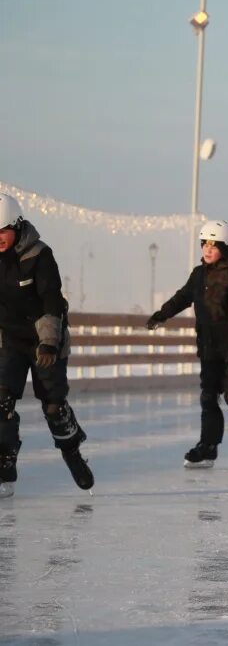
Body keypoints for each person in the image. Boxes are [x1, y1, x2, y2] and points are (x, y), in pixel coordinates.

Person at [0, 192, 93, 498]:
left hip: (45, 339)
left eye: (3, 231)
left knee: (53, 406)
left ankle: (72, 452)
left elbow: (51, 301)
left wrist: (49, 343)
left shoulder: (39, 255)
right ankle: (5, 463)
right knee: (1, 400)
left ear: (17, 225)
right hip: (11, 341)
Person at [147, 220, 228, 469]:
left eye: (213, 245)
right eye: (204, 244)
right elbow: (183, 297)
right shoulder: (199, 275)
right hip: (209, 348)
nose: (207, 250)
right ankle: (208, 448)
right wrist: (161, 315)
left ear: (227, 247)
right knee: (208, 397)